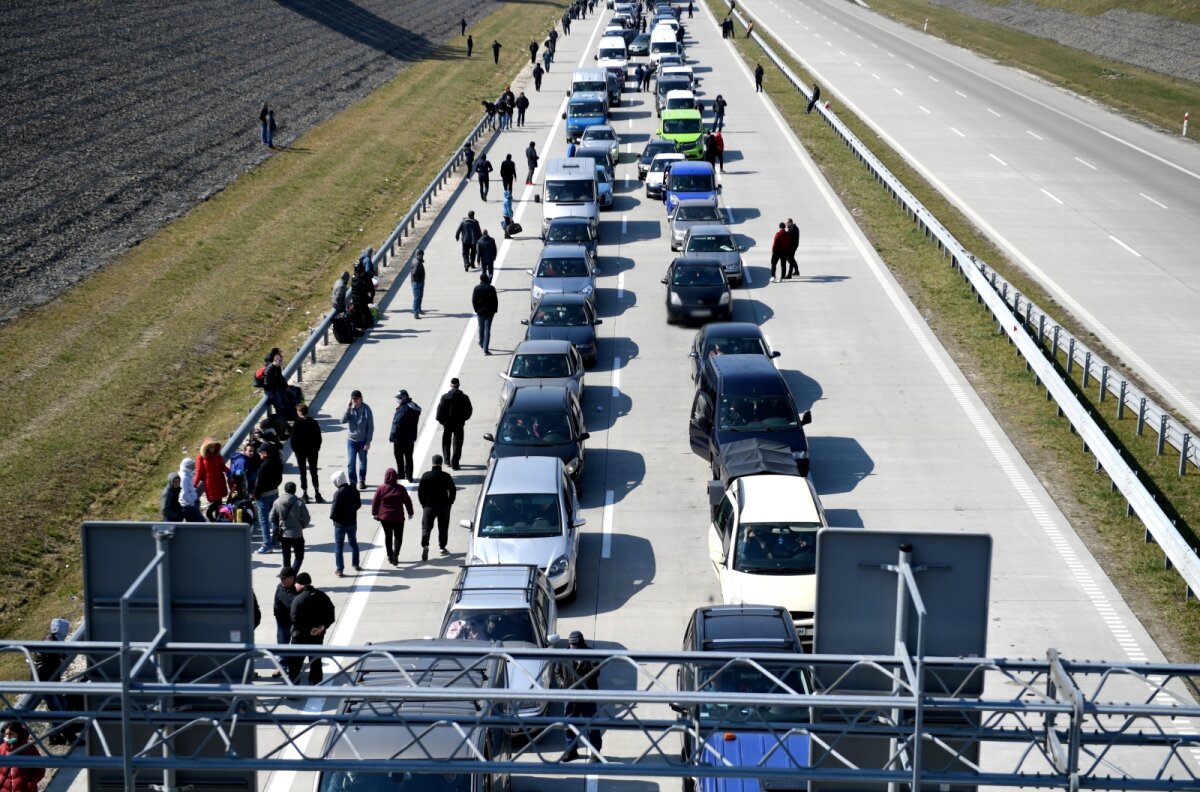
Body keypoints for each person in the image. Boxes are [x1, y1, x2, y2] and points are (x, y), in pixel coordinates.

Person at [557, 631, 603, 762]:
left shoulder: (591, 654)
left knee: (592, 724)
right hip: (570, 696)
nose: (574, 647)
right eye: (572, 645)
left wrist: (583, 662)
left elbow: (596, 673)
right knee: (569, 725)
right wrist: (563, 685)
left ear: (582, 643)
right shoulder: (563, 655)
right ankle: (571, 750)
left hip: (587, 695)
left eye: (576, 645)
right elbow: (557, 671)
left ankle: (595, 753)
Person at [288, 572, 335, 685]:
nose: (295, 585)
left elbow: (294, 619)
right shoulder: (322, 596)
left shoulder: (298, 599)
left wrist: (307, 630)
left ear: (301, 584)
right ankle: (316, 684)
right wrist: (321, 627)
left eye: (296, 583)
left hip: (300, 637)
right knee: (315, 661)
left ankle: (293, 689)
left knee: (295, 663)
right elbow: (331, 615)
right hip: (317, 636)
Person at [417, 455, 456, 561]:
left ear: (432, 462)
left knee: (426, 527)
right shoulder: (446, 476)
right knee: (443, 527)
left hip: (429, 506)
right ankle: (442, 547)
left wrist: (423, 504)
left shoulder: (426, 476)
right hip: (443, 506)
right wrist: (450, 502)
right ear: (441, 462)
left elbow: (420, 492)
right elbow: (452, 491)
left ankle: (425, 545)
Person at [372, 468, 414, 566]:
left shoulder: (381, 488)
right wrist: (410, 512)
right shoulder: (401, 488)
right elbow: (407, 501)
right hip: (398, 517)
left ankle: (390, 556)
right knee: (398, 537)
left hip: (385, 518)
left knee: (388, 536)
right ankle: (396, 554)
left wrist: (374, 513)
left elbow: (375, 502)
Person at [271, 482, 311, 572]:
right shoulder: (299, 502)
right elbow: (307, 518)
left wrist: (279, 524)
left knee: (286, 557)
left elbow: (271, 517)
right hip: (297, 534)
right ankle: (293, 575)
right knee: (299, 557)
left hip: (284, 534)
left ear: (285, 489)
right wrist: (302, 526)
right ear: (295, 490)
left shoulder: (277, 501)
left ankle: (287, 577)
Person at [329, 470, 362, 576]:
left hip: (340, 524)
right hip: (352, 522)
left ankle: (340, 569)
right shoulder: (354, 490)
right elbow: (358, 504)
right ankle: (356, 564)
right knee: (353, 543)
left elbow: (334, 510)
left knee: (339, 546)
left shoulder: (337, 494)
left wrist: (333, 517)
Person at [436, 378, 473, 469]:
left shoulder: (445, 397)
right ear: (458, 385)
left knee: (446, 442)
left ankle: (447, 461)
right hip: (459, 423)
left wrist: (442, 421)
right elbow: (469, 410)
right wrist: (463, 419)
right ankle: (455, 463)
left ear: (450, 385)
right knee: (458, 443)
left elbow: (439, 411)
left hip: (447, 424)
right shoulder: (464, 397)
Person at [341, 389, 374, 489]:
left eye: (356, 399)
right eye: (353, 399)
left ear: (361, 399)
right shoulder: (350, 409)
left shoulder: (366, 410)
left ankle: (362, 480)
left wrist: (368, 442)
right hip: (351, 441)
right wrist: (348, 408)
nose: (354, 401)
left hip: (363, 440)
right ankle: (352, 482)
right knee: (351, 462)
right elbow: (342, 421)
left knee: (362, 462)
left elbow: (370, 427)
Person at [291, 403, 324, 503]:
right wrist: (316, 448)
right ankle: (317, 493)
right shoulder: (314, 422)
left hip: (300, 452)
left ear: (300, 412)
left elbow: (293, 440)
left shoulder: (297, 424)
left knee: (303, 472)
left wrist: (296, 450)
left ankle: (305, 494)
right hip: (312, 451)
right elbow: (319, 438)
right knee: (314, 472)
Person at [254, 443, 283, 552]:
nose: (259, 453)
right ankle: (275, 540)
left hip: (263, 496)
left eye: (260, 452)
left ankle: (267, 544)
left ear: (265, 453)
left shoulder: (264, 466)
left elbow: (259, 484)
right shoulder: (278, 462)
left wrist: (256, 496)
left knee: (264, 521)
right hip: (274, 493)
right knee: (275, 518)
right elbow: (279, 479)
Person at [0, 722, 45, 792]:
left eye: (11, 734)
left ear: (18, 734)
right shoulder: (2, 748)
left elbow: (40, 770)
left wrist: (30, 785)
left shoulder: (29, 749)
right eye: (6, 734)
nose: (7, 737)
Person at [389, 390, 421, 482]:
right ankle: (409, 475)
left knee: (398, 456)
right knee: (409, 457)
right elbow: (419, 410)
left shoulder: (403, 408)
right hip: (410, 437)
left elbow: (397, 423)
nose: (398, 400)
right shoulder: (413, 406)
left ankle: (401, 474)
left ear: (405, 397)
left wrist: (392, 436)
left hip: (399, 438)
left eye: (399, 398)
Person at [193, 439, 229, 522]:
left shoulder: (217, 455)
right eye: (210, 447)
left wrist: (229, 471)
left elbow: (222, 466)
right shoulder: (201, 458)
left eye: (213, 446)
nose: (212, 448)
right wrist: (194, 484)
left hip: (219, 481)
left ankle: (217, 521)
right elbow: (199, 472)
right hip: (210, 484)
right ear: (206, 448)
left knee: (219, 503)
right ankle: (210, 514)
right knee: (217, 502)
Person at [272, 567, 297, 673]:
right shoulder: (280, 587)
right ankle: (281, 667)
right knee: (282, 644)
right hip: (282, 622)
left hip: (295, 623)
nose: (281, 580)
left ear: (291, 579)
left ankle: (294, 667)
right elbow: (276, 601)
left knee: (296, 646)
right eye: (281, 578)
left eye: (284, 578)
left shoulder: (298, 590)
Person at [472, 273, 498, 355]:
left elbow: (474, 300)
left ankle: (481, 342)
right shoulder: (491, 288)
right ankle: (485, 348)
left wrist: (476, 310)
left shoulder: (477, 288)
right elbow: (495, 300)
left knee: (481, 328)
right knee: (487, 329)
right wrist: (495, 310)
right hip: (489, 312)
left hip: (480, 311)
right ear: (487, 279)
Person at [349, 260, 375, 332]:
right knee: (365, 312)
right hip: (362, 299)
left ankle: (358, 325)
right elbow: (370, 290)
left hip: (355, 299)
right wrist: (370, 299)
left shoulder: (353, 278)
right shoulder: (363, 279)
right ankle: (366, 324)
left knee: (358, 312)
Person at [178, 457, 206, 522]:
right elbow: (184, 493)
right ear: (189, 466)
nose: (194, 467)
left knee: (195, 522)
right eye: (193, 466)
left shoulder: (186, 475)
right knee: (200, 522)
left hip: (189, 504)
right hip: (189, 506)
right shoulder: (184, 477)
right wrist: (192, 503)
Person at [410, 248, 426, 319]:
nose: (422, 256)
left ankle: (419, 309)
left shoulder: (416, 260)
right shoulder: (417, 263)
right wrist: (419, 277)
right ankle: (416, 312)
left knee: (420, 296)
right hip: (417, 282)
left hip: (419, 282)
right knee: (417, 297)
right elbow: (414, 273)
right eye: (422, 255)